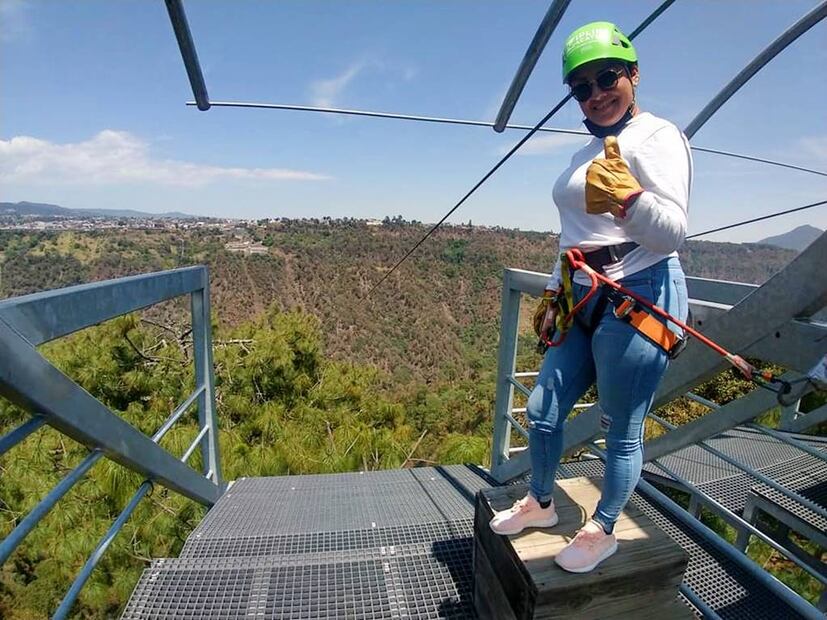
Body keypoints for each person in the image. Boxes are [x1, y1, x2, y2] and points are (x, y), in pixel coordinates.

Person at [489, 21, 692, 574]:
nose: (597, 93)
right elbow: (574, 230)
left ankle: (602, 528)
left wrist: (629, 198)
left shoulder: (658, 136)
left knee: (620, 425)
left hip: (639, 289)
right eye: (582, 87)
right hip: (580, 291)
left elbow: (670, 231)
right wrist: (557, 286)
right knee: (543, 410)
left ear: (633, 75)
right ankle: (542, 503)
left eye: (607, 78)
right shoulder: (586, 150)